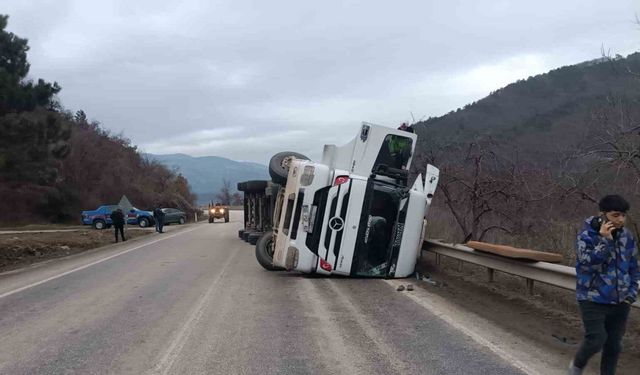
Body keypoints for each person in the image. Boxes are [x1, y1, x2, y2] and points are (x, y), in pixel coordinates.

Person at [570, 194, 638, 375]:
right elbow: (587, 263)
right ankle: (576, 367)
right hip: (592, 298)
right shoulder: (586, 236)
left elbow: (633, 268)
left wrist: (630, 294)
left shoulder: (627, 237)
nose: (620, 220)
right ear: (603, 215)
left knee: (614, 346)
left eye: (623, 215)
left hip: (620, 301)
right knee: (596, 339)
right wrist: (605, 241)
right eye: (616, 215)